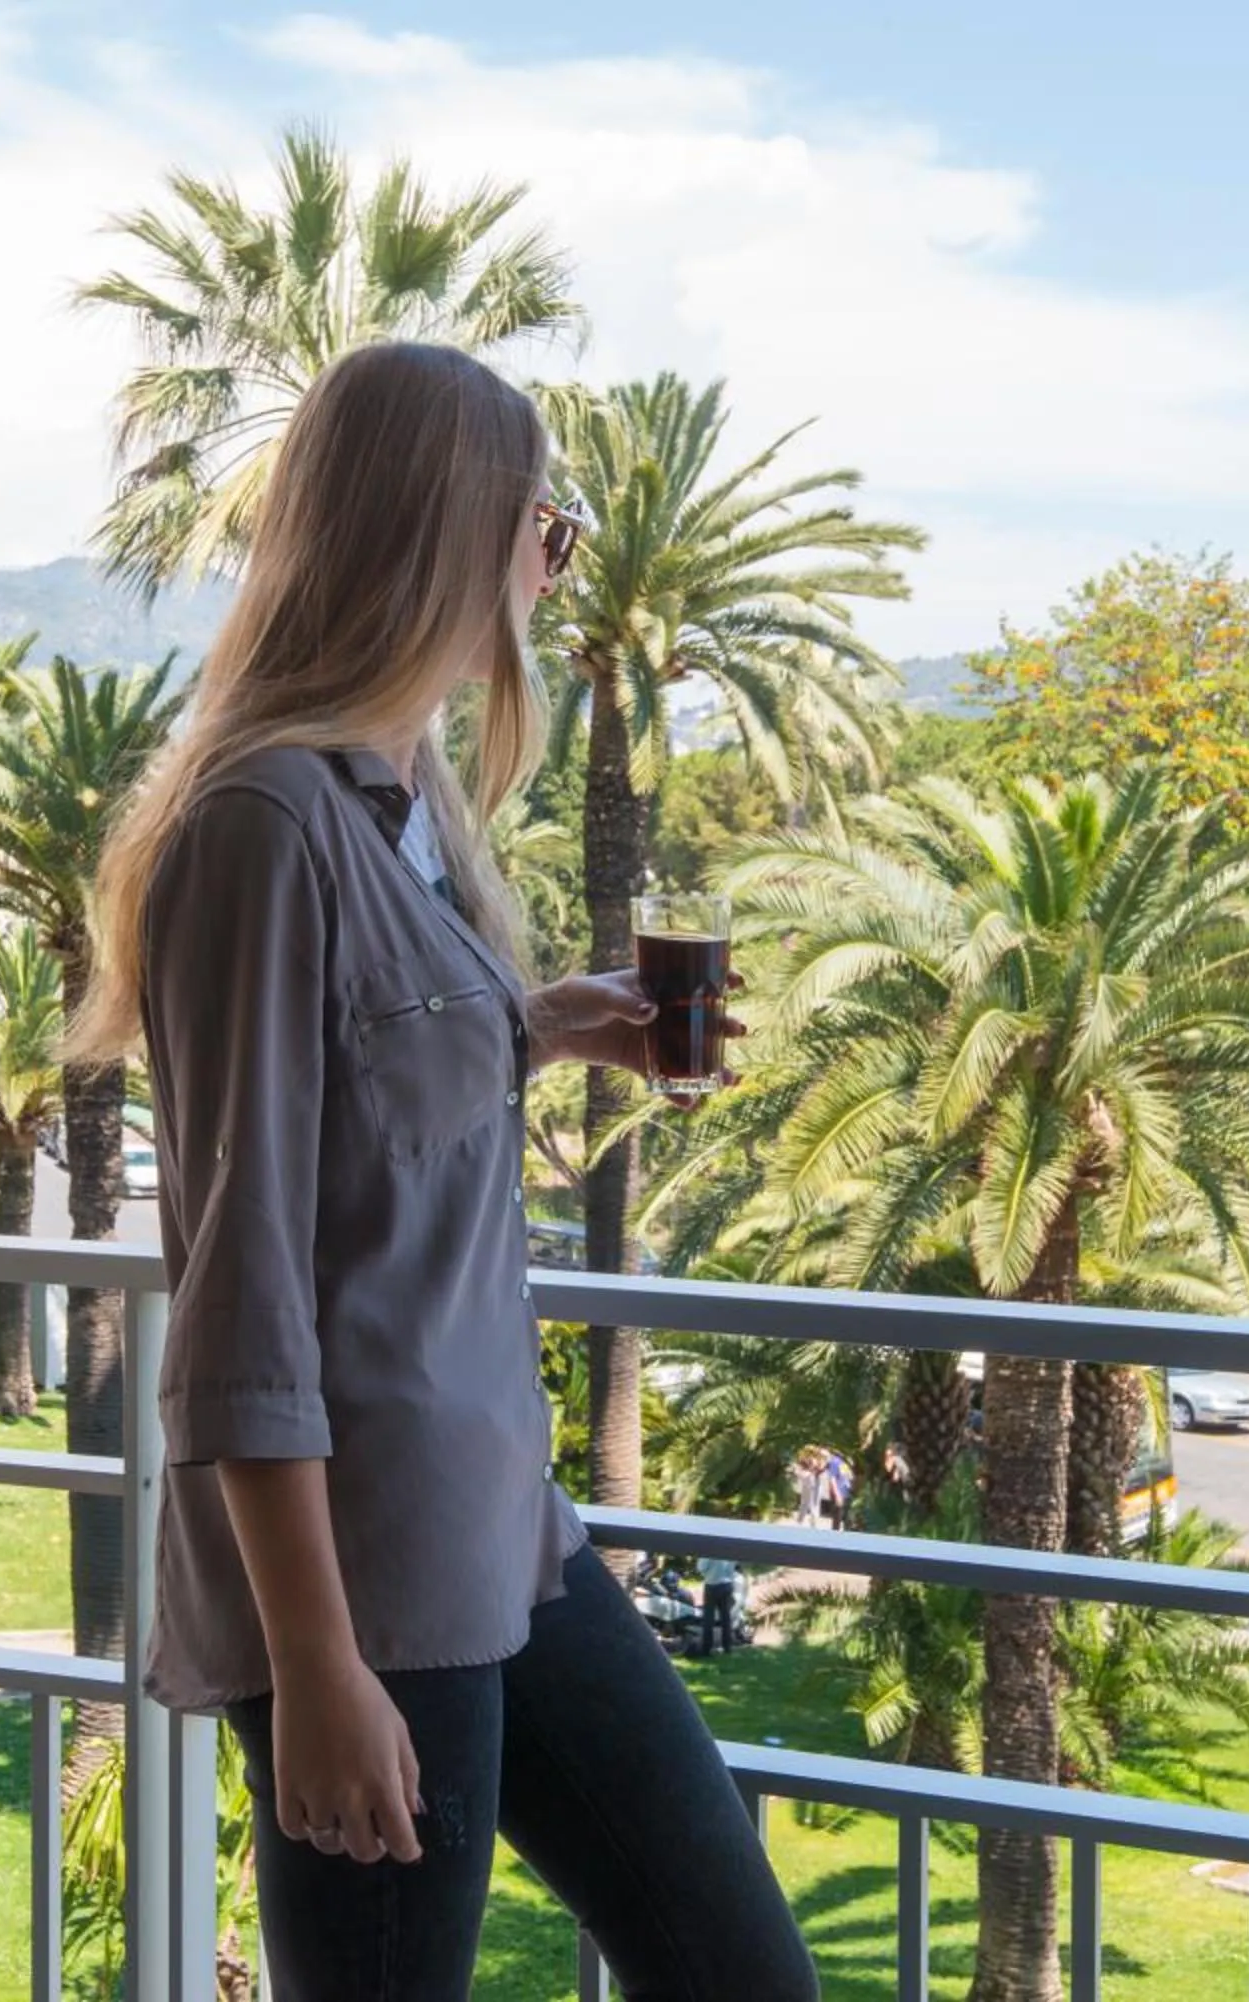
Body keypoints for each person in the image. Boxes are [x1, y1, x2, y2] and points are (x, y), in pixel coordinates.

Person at [70, 341, 816, 2002]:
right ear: (446, 533)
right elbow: (244, 1290)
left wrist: (543, 1025)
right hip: (369, 1591)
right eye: (544, 529)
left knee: (742, 1971)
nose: (552, 568)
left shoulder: (402, 805)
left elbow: (365, 1098)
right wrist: (314, 1666)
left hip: (505, 1535)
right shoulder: (265, 827)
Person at [697, 1554, 742, 1658]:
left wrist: (708, 1574)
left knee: (708, 1618)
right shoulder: (730, 1549)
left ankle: (706, 1649)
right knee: (726, 1618)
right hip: (727, 1584)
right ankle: (727, 1647)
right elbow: (733, 1565)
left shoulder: (709, 1549)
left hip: (711, 1584)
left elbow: (701, 1567)